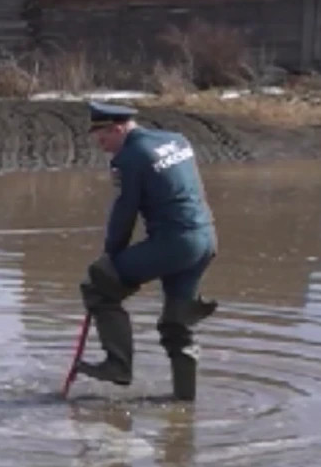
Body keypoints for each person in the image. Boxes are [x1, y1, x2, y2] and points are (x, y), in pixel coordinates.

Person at [75, 101, 219, 401]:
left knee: (98, 286)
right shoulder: (176, 140)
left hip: (175, 244)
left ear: (117, 128)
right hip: (205, 239)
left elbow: (124, 212)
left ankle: (118, 366)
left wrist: (109, 257)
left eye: (103, 139)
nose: (103, 147)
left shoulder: (130, 157)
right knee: (176, 323)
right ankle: (184, 401)